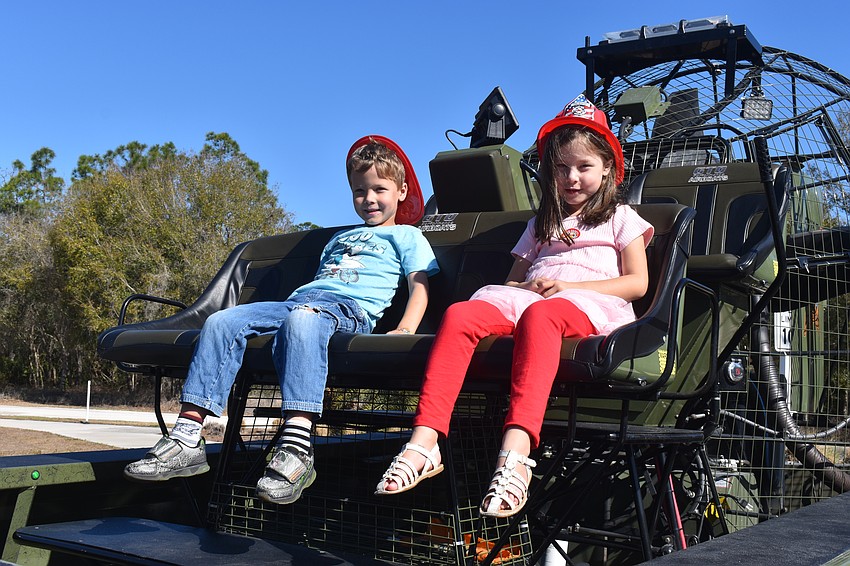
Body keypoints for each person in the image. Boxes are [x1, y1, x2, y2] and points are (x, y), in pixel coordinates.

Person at [375, 95, 654, 518]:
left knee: (542, 315)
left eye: (584, 167)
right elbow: (512, 281)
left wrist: (566, 285)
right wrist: (532, 283)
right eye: (561, 169)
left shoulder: (620, 217)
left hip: (590, 304)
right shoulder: (541, 223)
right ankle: (425, 439)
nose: (572, 178)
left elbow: (637, 283)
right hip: (533, 299)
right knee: (461, 314)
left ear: (609, 170)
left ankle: (516, 454)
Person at [125, 135, 439, 506]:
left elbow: (420, 287)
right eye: (359, 191)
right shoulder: (342, 237)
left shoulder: (407, 235)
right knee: (222, 322)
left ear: (402, 191)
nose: (369, 199)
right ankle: (188, 436)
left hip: (347, 311)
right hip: (299, 302)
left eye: (379, 189)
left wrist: (405, 328)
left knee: (303, 321)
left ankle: (297, 448)